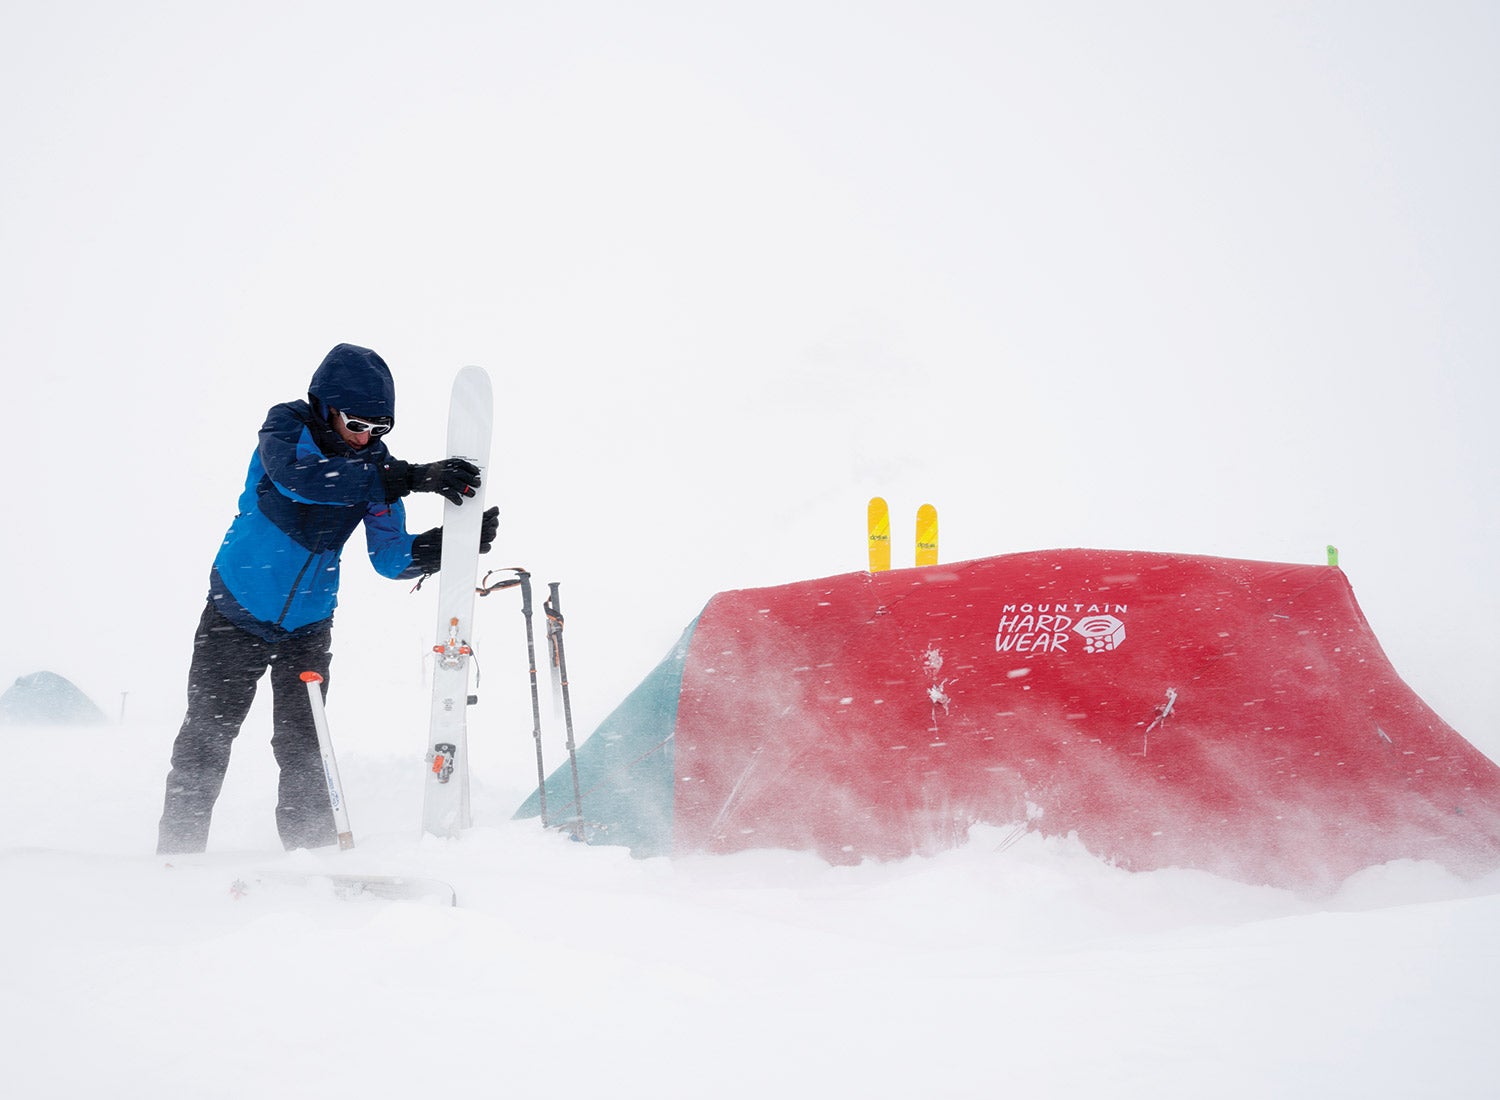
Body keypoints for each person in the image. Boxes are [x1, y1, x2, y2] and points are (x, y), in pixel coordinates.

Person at [156, 343, 498, 854]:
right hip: (237, 611)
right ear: (326, 406)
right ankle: (177, 858)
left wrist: (447, 546)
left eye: (380, 430)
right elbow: (300, 481)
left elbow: (390, 559)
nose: (366, 438)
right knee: (207, 738)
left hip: (308, 626)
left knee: (304, 749)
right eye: (358, 424)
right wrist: (408, 477)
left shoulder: (377, 470)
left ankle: (310, 856)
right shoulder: (286, 428)